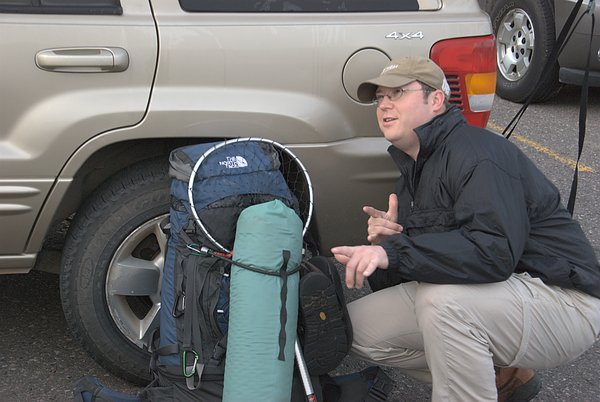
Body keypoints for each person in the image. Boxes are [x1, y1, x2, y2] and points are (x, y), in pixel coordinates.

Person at [331, 56, 600, 401]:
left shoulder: (477, 154)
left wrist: (395, 251)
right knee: (352, 330)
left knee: (443, 301)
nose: (384, 104)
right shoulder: (412, 175)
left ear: (436, 100)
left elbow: (493, 254)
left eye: (397, 93)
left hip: (563, 300)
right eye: (379, 97)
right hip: (493, 296)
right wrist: (390, 247)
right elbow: (423, 268)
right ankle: (500, 377)